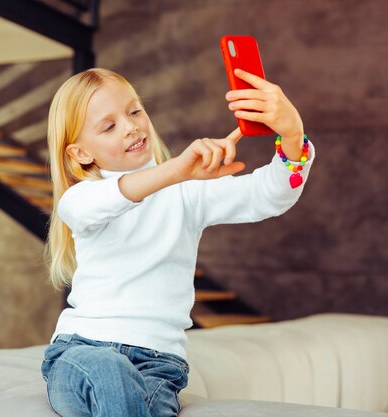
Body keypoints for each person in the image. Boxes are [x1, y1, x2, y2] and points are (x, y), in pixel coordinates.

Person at [41, 67, 315, 417]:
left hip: (158, 366)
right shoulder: (81, 200)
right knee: (111, 370)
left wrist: (293, 134)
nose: (131, 126)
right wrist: (177, 172)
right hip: (81, 353)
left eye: (134, 110)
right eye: (109, 126)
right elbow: (111, 197)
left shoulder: (187, 192)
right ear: (81, 154)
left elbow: (271, 194)